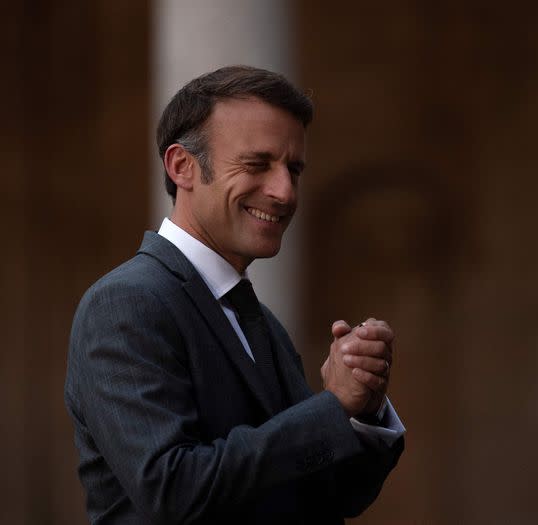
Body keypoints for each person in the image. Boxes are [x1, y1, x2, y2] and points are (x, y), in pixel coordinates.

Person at [65, 65, 405, 524]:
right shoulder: (126, 304)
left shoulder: (259, 320)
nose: (285, 192)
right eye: (257, 164)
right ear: (182, 166)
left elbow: (329, 495)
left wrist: (360, 407)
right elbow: (174, 490)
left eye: (294, 169)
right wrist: (330, 408)